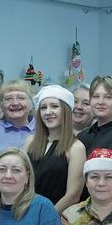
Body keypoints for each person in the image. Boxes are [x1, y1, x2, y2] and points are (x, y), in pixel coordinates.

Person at [25, 84, 86, 213]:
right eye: (43, 107)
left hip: (54, 217)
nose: (48, 112)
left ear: (66, 110)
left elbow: (73, 196)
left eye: (54, 106)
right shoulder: (30, 141)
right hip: (24, 213)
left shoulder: (76, 148)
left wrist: (46, 217)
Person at [0, 80, 36, 149]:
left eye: (21, 98)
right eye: (8, 99)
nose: (15, 103)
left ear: (31, 104)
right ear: (1, 105)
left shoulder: (42, 128)